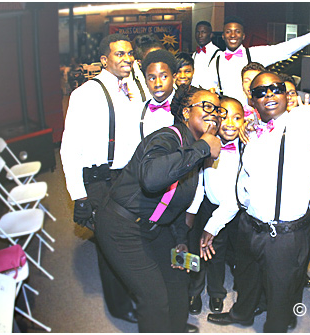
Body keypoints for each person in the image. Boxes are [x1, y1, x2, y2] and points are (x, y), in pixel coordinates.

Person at [207, 33, 310, 332]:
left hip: (284, 235)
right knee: (246, 277)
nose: (269, 94)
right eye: (261, 91)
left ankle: (276, 326)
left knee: (281, 291)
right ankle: (243, 314)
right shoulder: (253, 128)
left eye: (276, 88)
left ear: (287, 94)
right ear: (252, 99)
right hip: (251, 224)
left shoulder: (304, 123)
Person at [94, 84, 223, 333]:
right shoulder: (165, 137)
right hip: (121, 226)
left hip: (155, 227)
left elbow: (173, 203)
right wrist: (204, 146)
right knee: (154, 298)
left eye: (217, 110)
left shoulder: (192, 152)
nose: (214, 113)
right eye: (206, 106)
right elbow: (152, 179)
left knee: (178, 278)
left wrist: (180, 240)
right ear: (186, 112)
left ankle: (174, 328)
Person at [60, 33, 142, 324]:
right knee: (111, 242)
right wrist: (78, 196)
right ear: (104, 60)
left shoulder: (135, 85)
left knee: (131, 236)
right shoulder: (85, 94)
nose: (127, 59)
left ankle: (133, 289)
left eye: (130, 53)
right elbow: (69, 147)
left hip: (130, 175)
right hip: (100, 179)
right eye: (119, 54)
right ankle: (119, 305)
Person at [188, 96, 244, 315]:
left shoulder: (246, 148)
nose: (230, 122)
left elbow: (236, 197)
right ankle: (193, 290)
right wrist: (192, 212)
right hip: (205, 205)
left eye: (237, 117)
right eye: (225, 116)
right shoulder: (207, 143)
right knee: (195, 250)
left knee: (217, 252)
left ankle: (216, 292)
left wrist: (212, 225)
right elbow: (198, 181)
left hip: (230, 211)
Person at [205, 15, 310, 105]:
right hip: (228, 117)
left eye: (237, 31)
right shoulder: (215, 60)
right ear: (223, 35)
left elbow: (285, 49)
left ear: (243, 35)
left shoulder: (254, 53)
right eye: (228, 31)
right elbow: (208, 89)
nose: (233, 35)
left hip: (256, 114)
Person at [140, 49, 178, 139]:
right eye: (152, 78)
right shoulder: (139, 111)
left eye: (164, 77)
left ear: (174, 77)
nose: (158, 84)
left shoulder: (186, 107)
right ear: (145, 81)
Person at [126, 34, 163, 103]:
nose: (158, 62)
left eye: (161, 56)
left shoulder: (168, 74)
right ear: (139, 62)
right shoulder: (127, 81)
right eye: (153, 59)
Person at [192, 21, 220, 88]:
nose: (200, 35)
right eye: (197, 32)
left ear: (211, 35)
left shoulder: (218, 53)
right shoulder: (194, 54)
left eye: (203, 32)